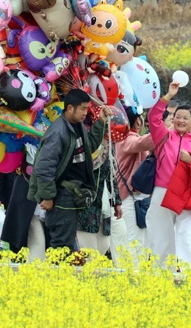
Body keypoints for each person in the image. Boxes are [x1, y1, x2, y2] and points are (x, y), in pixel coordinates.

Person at [28, 89, 110, 251]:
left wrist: (100, 122)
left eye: (87, 109)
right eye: (83, 109)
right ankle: (58, 274)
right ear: (70, 108)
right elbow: (45, 167)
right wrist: (48, 196)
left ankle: (64, 274)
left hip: (73, 193)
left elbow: (89, 147)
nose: (86, 113)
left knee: (68, 243)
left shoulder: (77, 126)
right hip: (61, 195)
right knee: (61, 245)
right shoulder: (58, 132)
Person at [145, 82, 191, 273]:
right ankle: (161, 275)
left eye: (185, 118)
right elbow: (153, 117)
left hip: (187, 194)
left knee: (188, 235)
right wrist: (168, 96)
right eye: (177, 117)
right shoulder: (163, 137)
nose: (180, 120)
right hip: (162, 192)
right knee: (161, 235)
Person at [115, 106, 154, 254]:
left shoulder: (126, 137)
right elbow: (142, 143)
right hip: (129, 198)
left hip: (136, 198)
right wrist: (163, 129)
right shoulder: (127, 138)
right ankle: (133, 275)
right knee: (134, 241)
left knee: (140, 240)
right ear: (137, 121)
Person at [76, 149, 122, 259]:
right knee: (89, 250)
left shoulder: (109, 150)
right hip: (86, 205)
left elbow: (112, 178)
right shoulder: (82, 146)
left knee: (104, 245)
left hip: (104, 206)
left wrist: (117, 203)